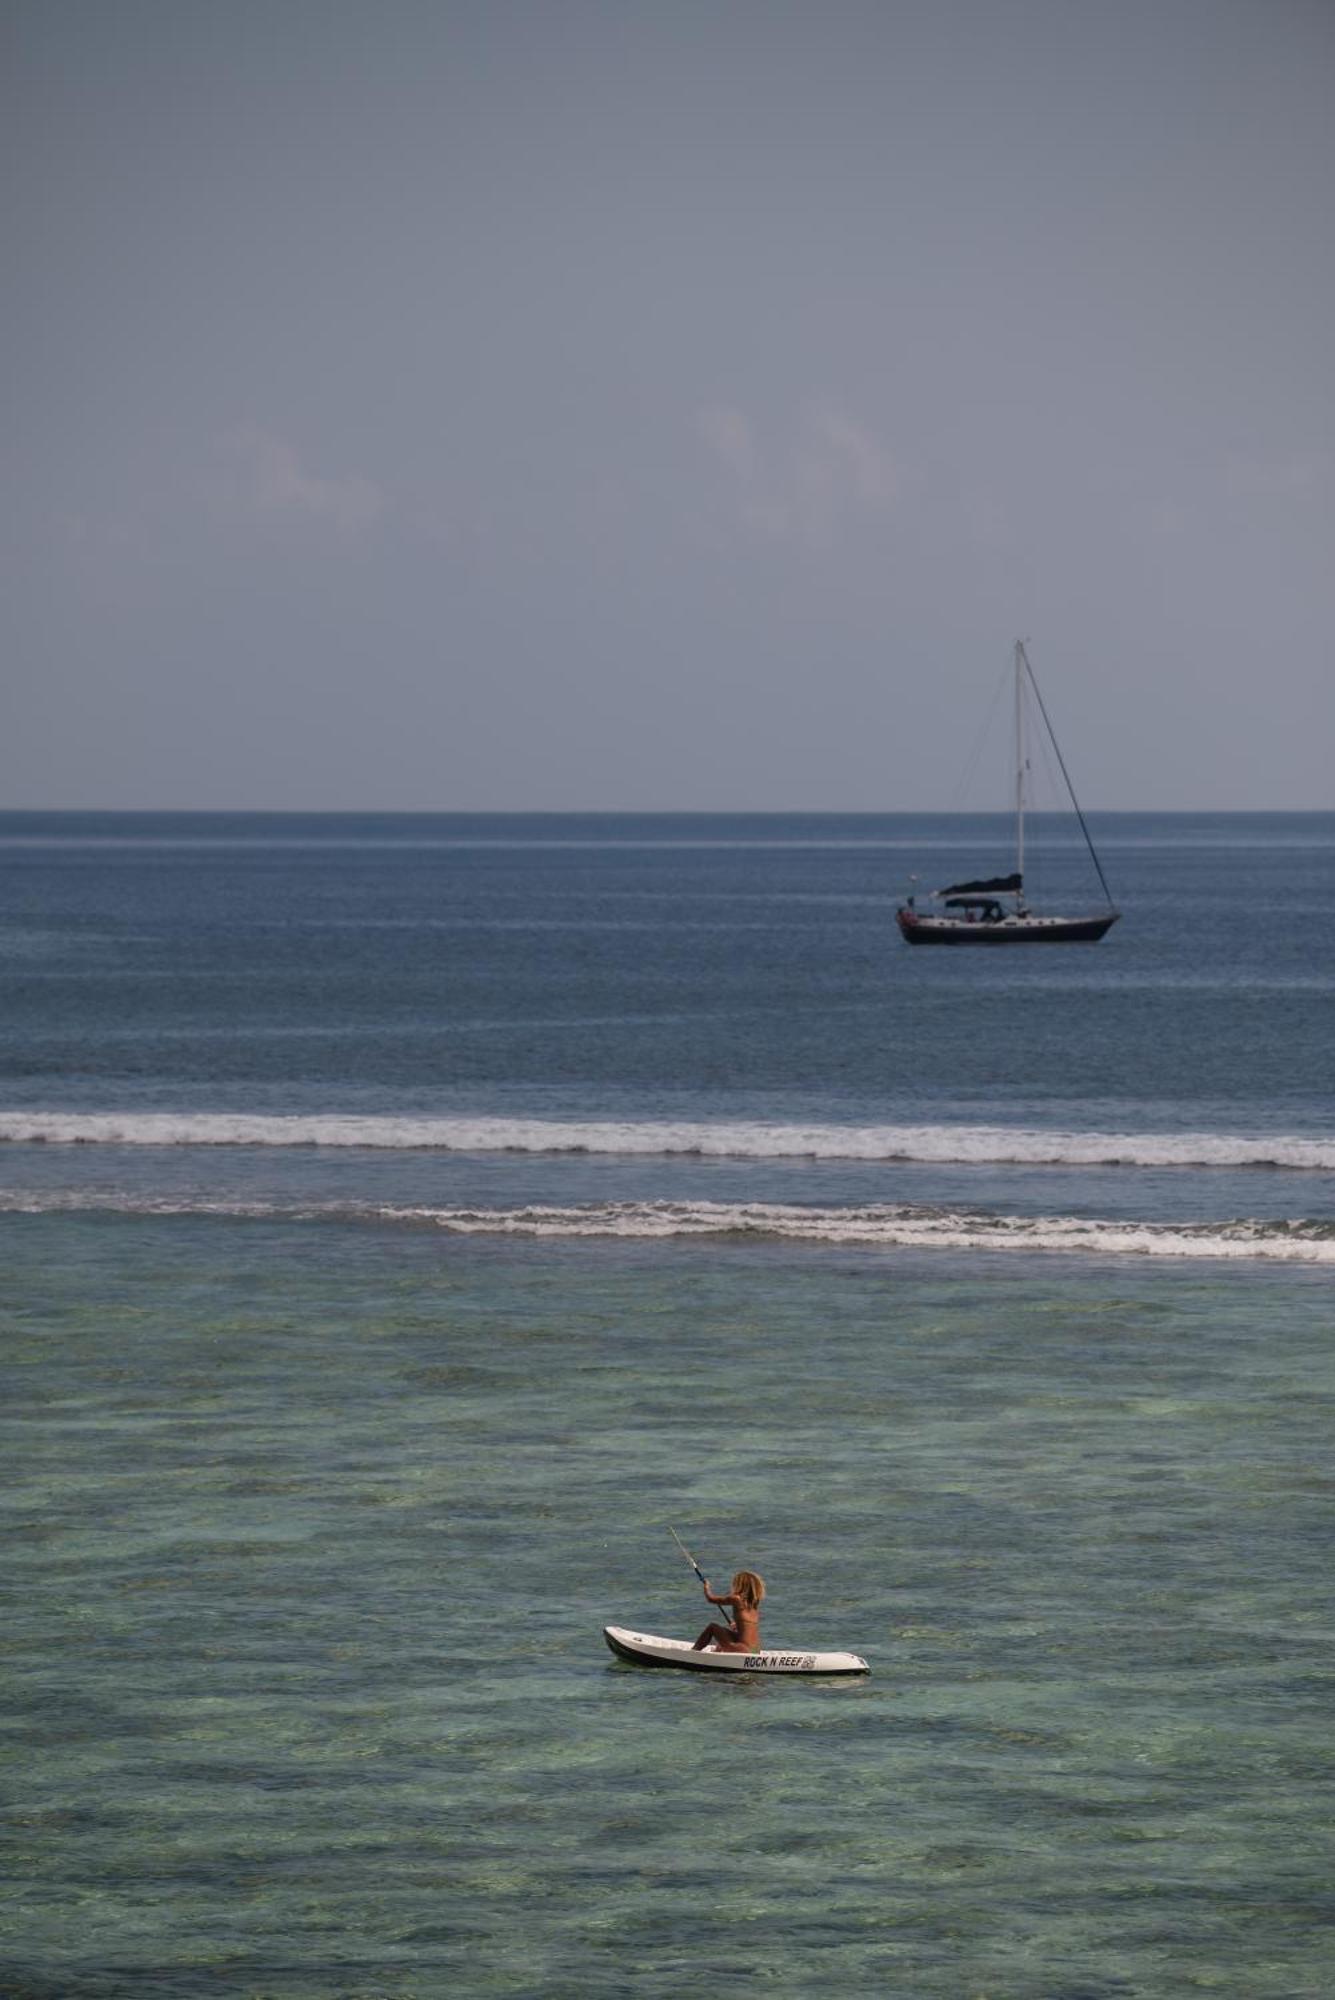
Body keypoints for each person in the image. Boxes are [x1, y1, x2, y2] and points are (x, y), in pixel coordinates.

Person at [692, 1569, 766, 1652]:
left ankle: (693, 1652)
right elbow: (748, 1625)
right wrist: (738, 1626)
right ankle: (717, 1653)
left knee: (712, 1627)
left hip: (743, 1649)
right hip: (755, 1650)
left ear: (741, 1585)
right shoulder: (754, 1604)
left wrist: (706, 1587)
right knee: (726, 1636)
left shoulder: (736, 1599)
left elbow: (711, 1599)